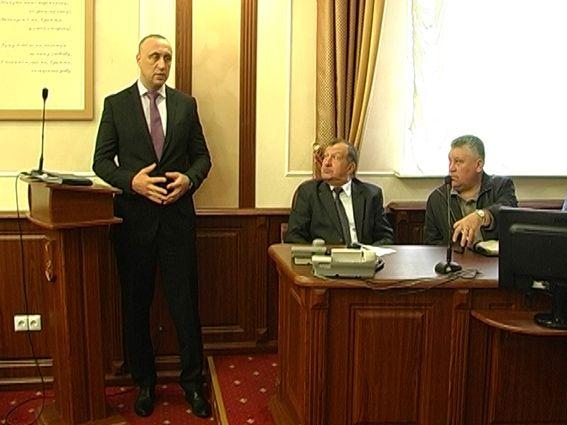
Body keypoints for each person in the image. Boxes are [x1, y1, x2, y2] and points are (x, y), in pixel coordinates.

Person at [92, 34, 211, 418]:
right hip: (133, 224)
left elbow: (203, 158)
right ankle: (144, 383)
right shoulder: (116, 105)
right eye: (155, 57)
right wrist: (133, 182)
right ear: (139, 59)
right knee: (136, 305)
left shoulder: (185, 105)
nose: (162, 64)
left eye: (167, 58)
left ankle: (193, 384)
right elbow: (101, 162)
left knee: (185, 306)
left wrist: (189, 180)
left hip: (177, 222)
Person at [285, 139, 393, 245]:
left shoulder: (371, 195)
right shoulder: (308, 192)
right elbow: (294, 236)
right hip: (325, 255)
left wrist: (369, 253)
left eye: (335, 157)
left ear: (350, 168)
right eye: (325, 156)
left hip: (362, 255)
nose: (326, 163)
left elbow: (385, 238)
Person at [424, 135, 517, 247]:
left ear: (478, 165)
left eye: (458, 162)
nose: (451, 168)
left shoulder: (500, 186)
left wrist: (481, 216)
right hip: (456, 258)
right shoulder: (437, 198)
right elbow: (431, 245)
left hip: (493, 258)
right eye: (450, 161)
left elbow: (508, 211)